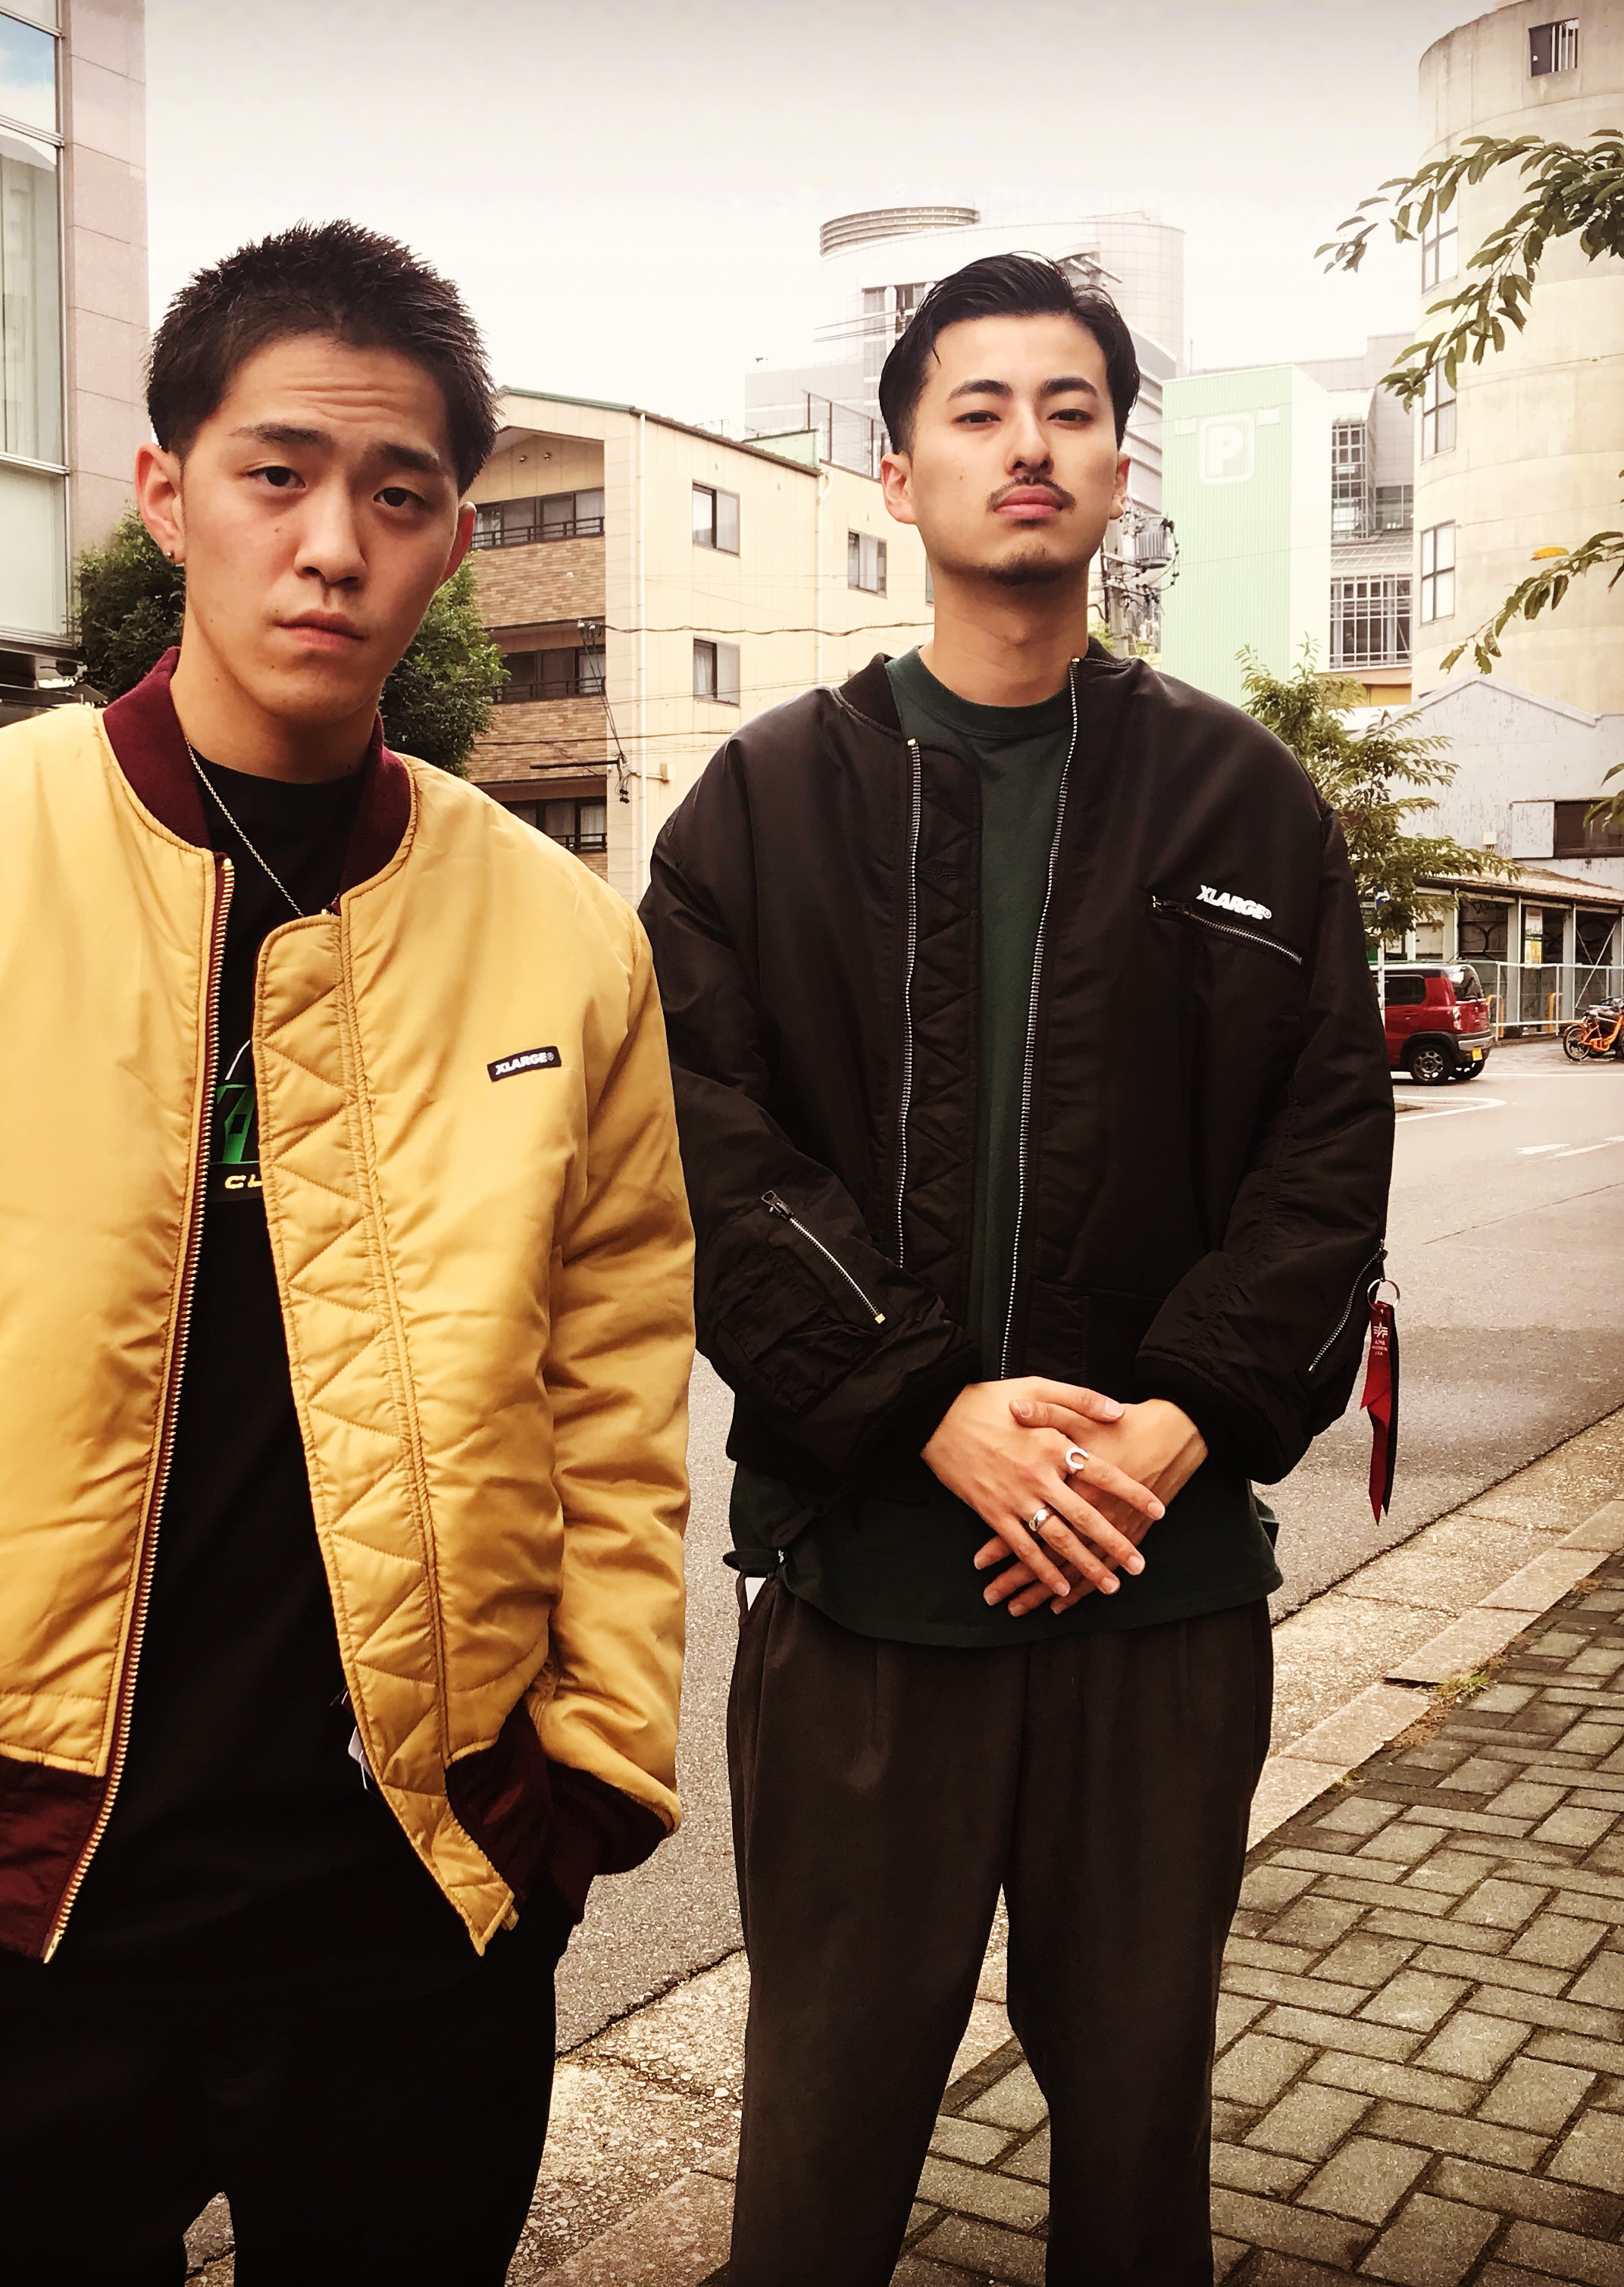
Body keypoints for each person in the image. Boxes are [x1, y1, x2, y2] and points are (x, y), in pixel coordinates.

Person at [0, 221, 694, 2287]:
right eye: (275, 473)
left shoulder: (561, 934)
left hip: (416, 1917)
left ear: (454, 543)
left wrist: (577, 1781)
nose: (331, 545)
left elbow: (614, 1383)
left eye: (396, 496)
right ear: (165, 492)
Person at [641, 253, 1394, 2286]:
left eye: (1069, 409)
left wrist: (1180, 1419)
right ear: (896, 475)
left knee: (1138, 2138)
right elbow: (704, 1147)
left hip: (1161, 1592)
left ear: (1121, 469)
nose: (1027, 445)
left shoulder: (1242, 798)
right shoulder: (762, 804)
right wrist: (923, 1407)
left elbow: (1327, 1152)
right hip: (865, 1591)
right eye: (975, 410)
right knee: (820, 2147)